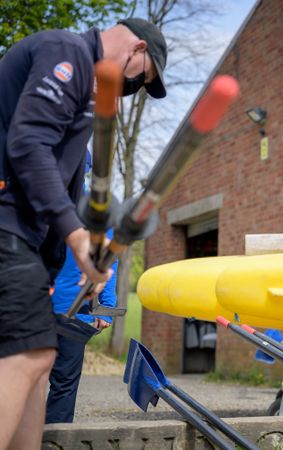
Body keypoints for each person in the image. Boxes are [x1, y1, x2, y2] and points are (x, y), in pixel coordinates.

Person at [0, 18, 167, 448]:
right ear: (137, 48)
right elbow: (28, 144)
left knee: (40, 362)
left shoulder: (85, 104)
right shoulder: (67, 51)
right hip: (6, 223)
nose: (131, 88)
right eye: (141, 77)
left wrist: (75, 259)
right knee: (29, 355)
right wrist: (76, 238)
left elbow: (68, 183)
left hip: (30, 239)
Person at [45, 153, 119, 424]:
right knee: (53, 382)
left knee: (54, 380)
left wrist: (106, 307)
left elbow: (109, 260)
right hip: (40, 304)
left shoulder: (96, 212)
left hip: (73, 308)